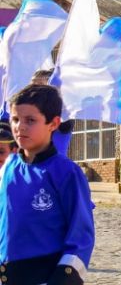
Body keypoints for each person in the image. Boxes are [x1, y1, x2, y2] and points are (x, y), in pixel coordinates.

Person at [0, 84, 95, 284]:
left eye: (31, 120)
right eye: (15, 119)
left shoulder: (67, 173)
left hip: (45, 276)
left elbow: (81, 234)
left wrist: (64, 277)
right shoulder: (9, 166)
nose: (20, 127)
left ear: (53, 123)